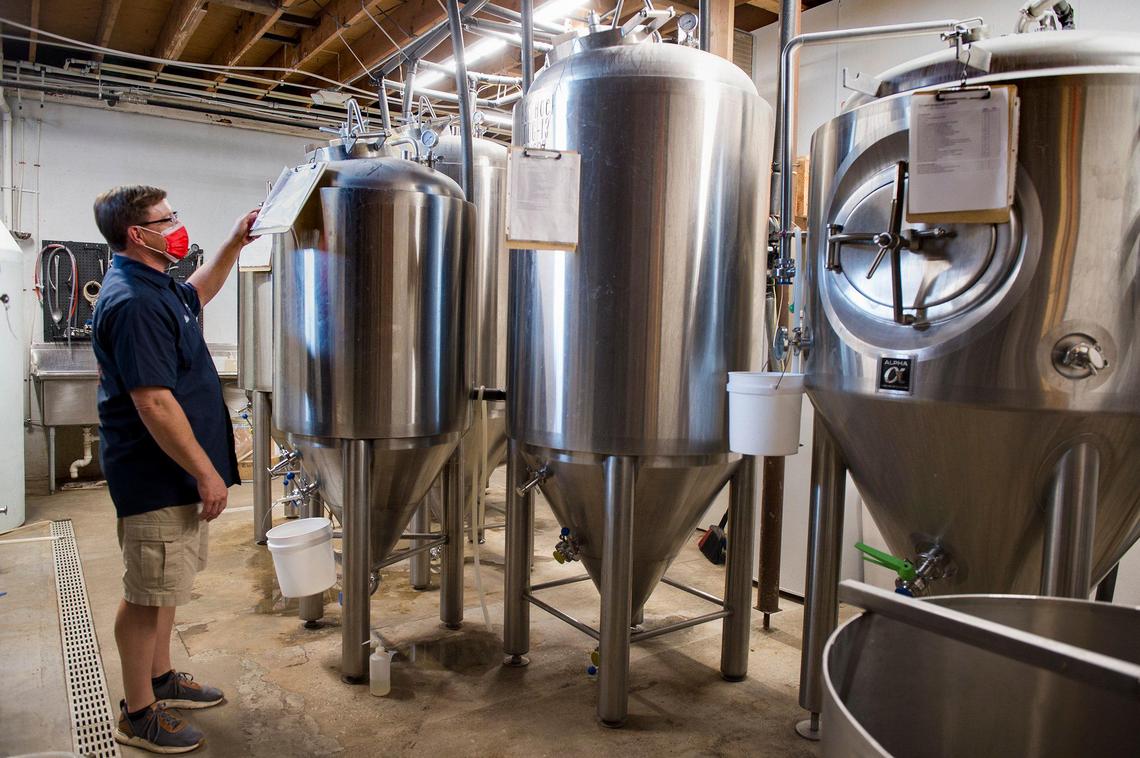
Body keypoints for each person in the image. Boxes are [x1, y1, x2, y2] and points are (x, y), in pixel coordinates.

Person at [91, 185, 258, 754]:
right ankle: (138, 711)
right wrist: (207, 472)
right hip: (154, 473)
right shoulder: (132, 301)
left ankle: (162, 678)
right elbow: (153, 401)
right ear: (138, 234)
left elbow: (196, 294)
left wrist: (235, 244)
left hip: (176, 474)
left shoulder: (158, 286)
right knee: (145, 593)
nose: (178, 225)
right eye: (168, 219)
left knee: (166, 585)